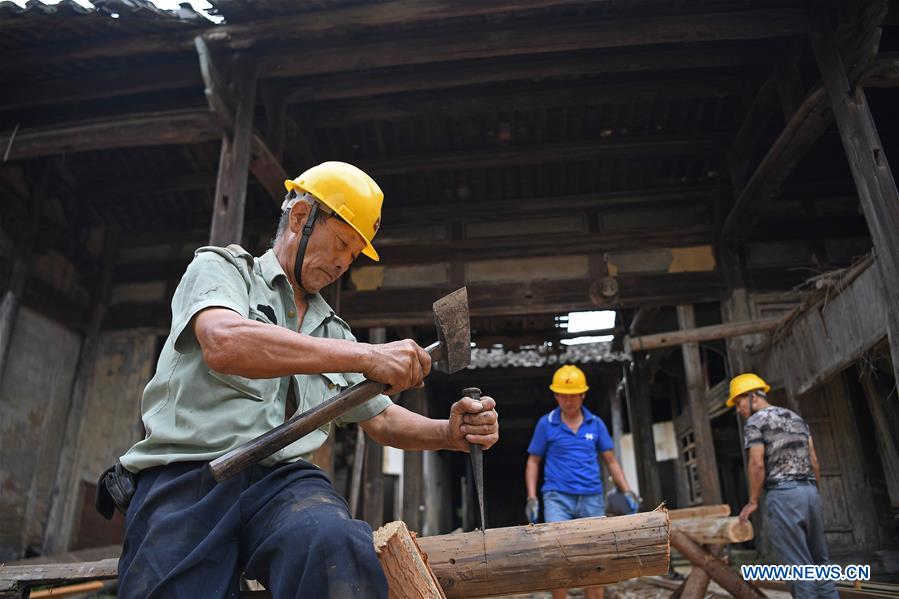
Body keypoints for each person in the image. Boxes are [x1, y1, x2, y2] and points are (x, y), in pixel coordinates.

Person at [110, 162, 499, 599]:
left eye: (353, 254)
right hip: (186, 476)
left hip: (283, 484)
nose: (342, 263)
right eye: (340, 244)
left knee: (334, 545)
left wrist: (449, 432)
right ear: (299, 218)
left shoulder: (334, 331)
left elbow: (382, 420)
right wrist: (369, 356)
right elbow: (224, 343)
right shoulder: (224, 271)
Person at [524, 364, 637, 599]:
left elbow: (611, 461)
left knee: (595, 558)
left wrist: (627, 492)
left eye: (573, 395)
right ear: (555, 395)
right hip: (557, 498)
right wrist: (532, 497)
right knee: (557, 555)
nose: (568, 401)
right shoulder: (546, 424)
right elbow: (533, 461)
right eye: (563, 396)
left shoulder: (595, 424)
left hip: (591, 497)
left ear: (583, 394)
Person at [729, 373, 837, 599]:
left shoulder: (755, 423)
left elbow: (757, 464)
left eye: (739, 403)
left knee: (799, 566)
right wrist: (812, 492)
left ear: (753, 397)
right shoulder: (796, 418)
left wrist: (753, 501)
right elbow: (814, 461)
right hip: (809, 492)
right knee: (821, 563)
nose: (738, 410)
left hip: (784, 495)